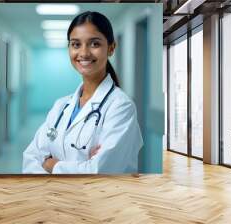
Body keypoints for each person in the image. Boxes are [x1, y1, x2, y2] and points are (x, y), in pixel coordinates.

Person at [22, 11, 143, 174]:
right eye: (76, 44)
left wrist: (53, 165)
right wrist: (80, 165)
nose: (84, 53)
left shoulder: (121, 106)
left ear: (111, 48)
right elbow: (30, 159)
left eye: (94, 44)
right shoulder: (61, 106)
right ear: (69, 48)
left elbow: (100, 170)